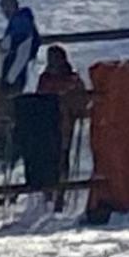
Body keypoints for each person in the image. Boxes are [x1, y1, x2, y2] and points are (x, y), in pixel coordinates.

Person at [34, 45, 87, 199]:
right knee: (48, 157)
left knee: (62, 156)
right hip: (46, 125)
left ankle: (61, 192)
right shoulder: (45, 78)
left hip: (64, 124)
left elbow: (81, 102)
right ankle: (49, 190)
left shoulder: (72, 79)